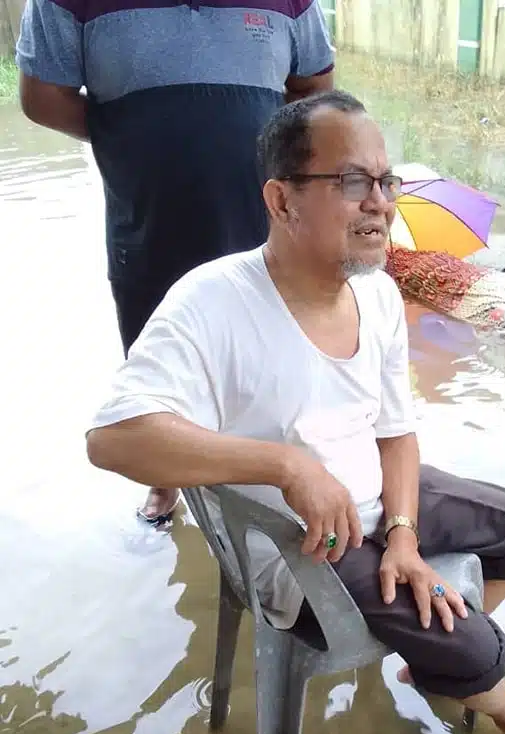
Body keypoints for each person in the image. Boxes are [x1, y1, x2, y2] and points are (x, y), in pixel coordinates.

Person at [86, 91, 505, 734]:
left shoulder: (379, 294)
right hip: (299, 549)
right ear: (282, 201)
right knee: (484, 657)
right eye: (351, 182)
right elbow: (113, 438)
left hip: (373, 501)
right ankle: (470, 675)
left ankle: (431, 660)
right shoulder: (213, 302)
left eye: (385, 180)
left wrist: (401, 536)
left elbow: (396, 433)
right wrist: (284, 467)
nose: (380, 202)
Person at [16, 0, 334, 523]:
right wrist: (134, 137)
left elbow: (314, 91)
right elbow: (44, 98)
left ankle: (279, 480)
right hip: (149, 219)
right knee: (156, 348)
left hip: (263, 219)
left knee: (272, 345)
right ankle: (166, 482)